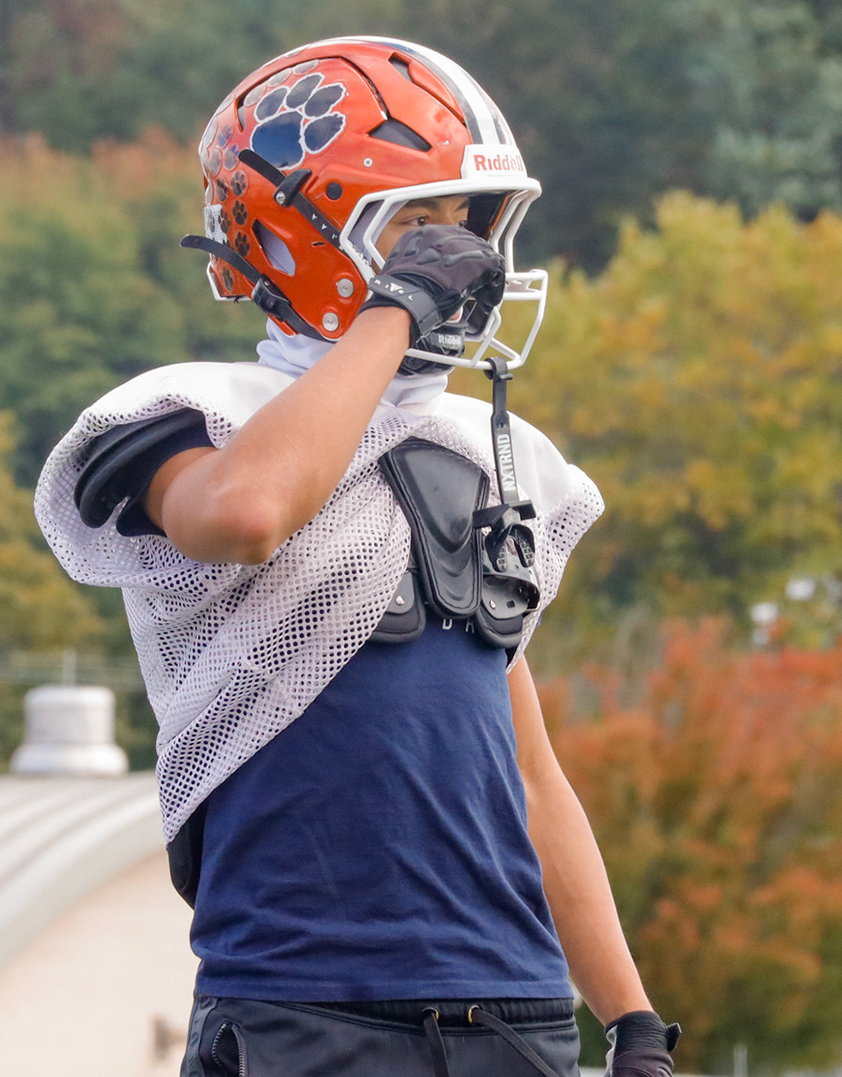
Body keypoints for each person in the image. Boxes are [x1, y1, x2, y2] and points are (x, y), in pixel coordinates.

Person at [33, 36, 678, 1077]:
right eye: (418, 228)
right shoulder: (191, 415)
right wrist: (393, 312)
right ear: (299, 238)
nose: (459, 260)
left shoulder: (478, 450)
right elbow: (248, 512)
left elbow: (527, 773)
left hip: (516, 1013)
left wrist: (632, 1016)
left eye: (465, 225)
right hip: (305, 1003)